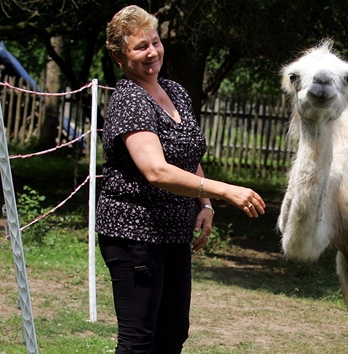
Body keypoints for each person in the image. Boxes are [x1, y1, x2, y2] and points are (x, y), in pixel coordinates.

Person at [96, 5, 266, 353]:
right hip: (134, 234)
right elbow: (157, 170)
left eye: (155, 42)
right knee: (139, 341)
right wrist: (223, 191)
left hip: (173, 233)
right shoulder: (130, 100)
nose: (151, 52)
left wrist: (203, 204)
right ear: (118, 57)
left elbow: (187, 157)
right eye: (140, 46)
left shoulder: (174, 91)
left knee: (173, 332)